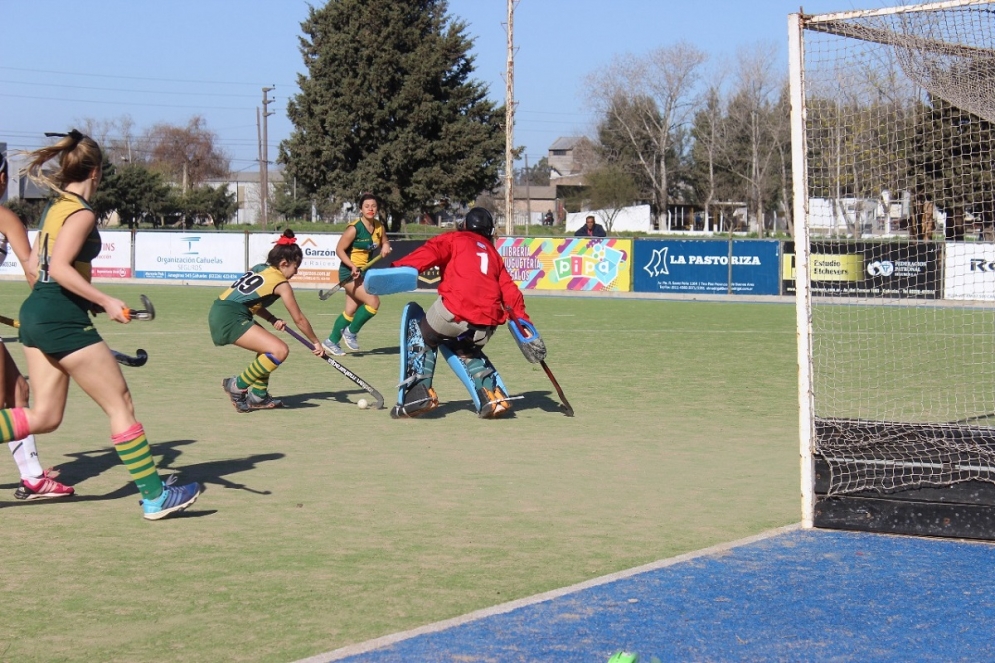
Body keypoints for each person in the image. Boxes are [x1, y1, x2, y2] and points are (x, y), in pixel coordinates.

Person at [2, 130, 200, 520]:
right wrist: (104, 300)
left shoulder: (56, 206)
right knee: (120, 404)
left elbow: (41, 269)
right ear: (97, 172)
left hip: (40, 311)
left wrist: (83, 301)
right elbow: (58, 268)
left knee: (45, 416)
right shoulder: (82, 211)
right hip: (59, 316)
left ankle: (156, 492)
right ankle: (155, 496)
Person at [391, 207, 531, 418]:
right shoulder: (493, 254)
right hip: (486, 327)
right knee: (463, 347)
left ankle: (418, 394)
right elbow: (511, 294)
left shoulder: (454, 238)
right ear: (490, 232)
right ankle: (489, 394)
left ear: (464, 225)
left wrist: (397, 268)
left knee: (423, 332)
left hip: (455, 312)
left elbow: (429, 253)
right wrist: (524, 326)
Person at [0, 151, 74, 500]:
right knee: (8, 395)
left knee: (17, 391)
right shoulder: (6, 218)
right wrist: (55, 313)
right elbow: (34, 274)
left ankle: (32, 477)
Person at [211, 228, 324, 412]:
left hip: (223, 309)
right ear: (284, 263)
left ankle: (258, 396)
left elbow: (249, 301)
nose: (296, 272)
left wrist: (271, 319)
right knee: (279, 350)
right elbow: (299, 319)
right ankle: (236, 386)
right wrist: (315, 342)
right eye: (296, 267)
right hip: (231, 316)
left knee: (268, 350)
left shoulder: (260, 268)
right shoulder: (281, 283)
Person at [322, 192, 392, 355]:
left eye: (373, 206)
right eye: (367, 206)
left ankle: (331, 341)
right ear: (361, 209)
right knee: (373, 303)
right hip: (349, 273)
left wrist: (386, 245)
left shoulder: (379, 226)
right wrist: (352, 266)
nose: (371, 209)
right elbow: (339, 250)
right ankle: (351, 332)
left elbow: (385, 241)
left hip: (363, 273)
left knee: (351, 310)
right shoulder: (354, 229)